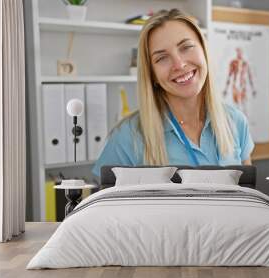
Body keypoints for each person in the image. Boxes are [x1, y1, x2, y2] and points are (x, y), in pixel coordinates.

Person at [92, 9, 254, 178]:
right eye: (162, 58)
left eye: (186, 47)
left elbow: (248, 197)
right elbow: (102, 203)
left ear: (203, 50)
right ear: (151, 74)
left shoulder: (236, 121)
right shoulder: (127, 137)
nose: (179, 64)